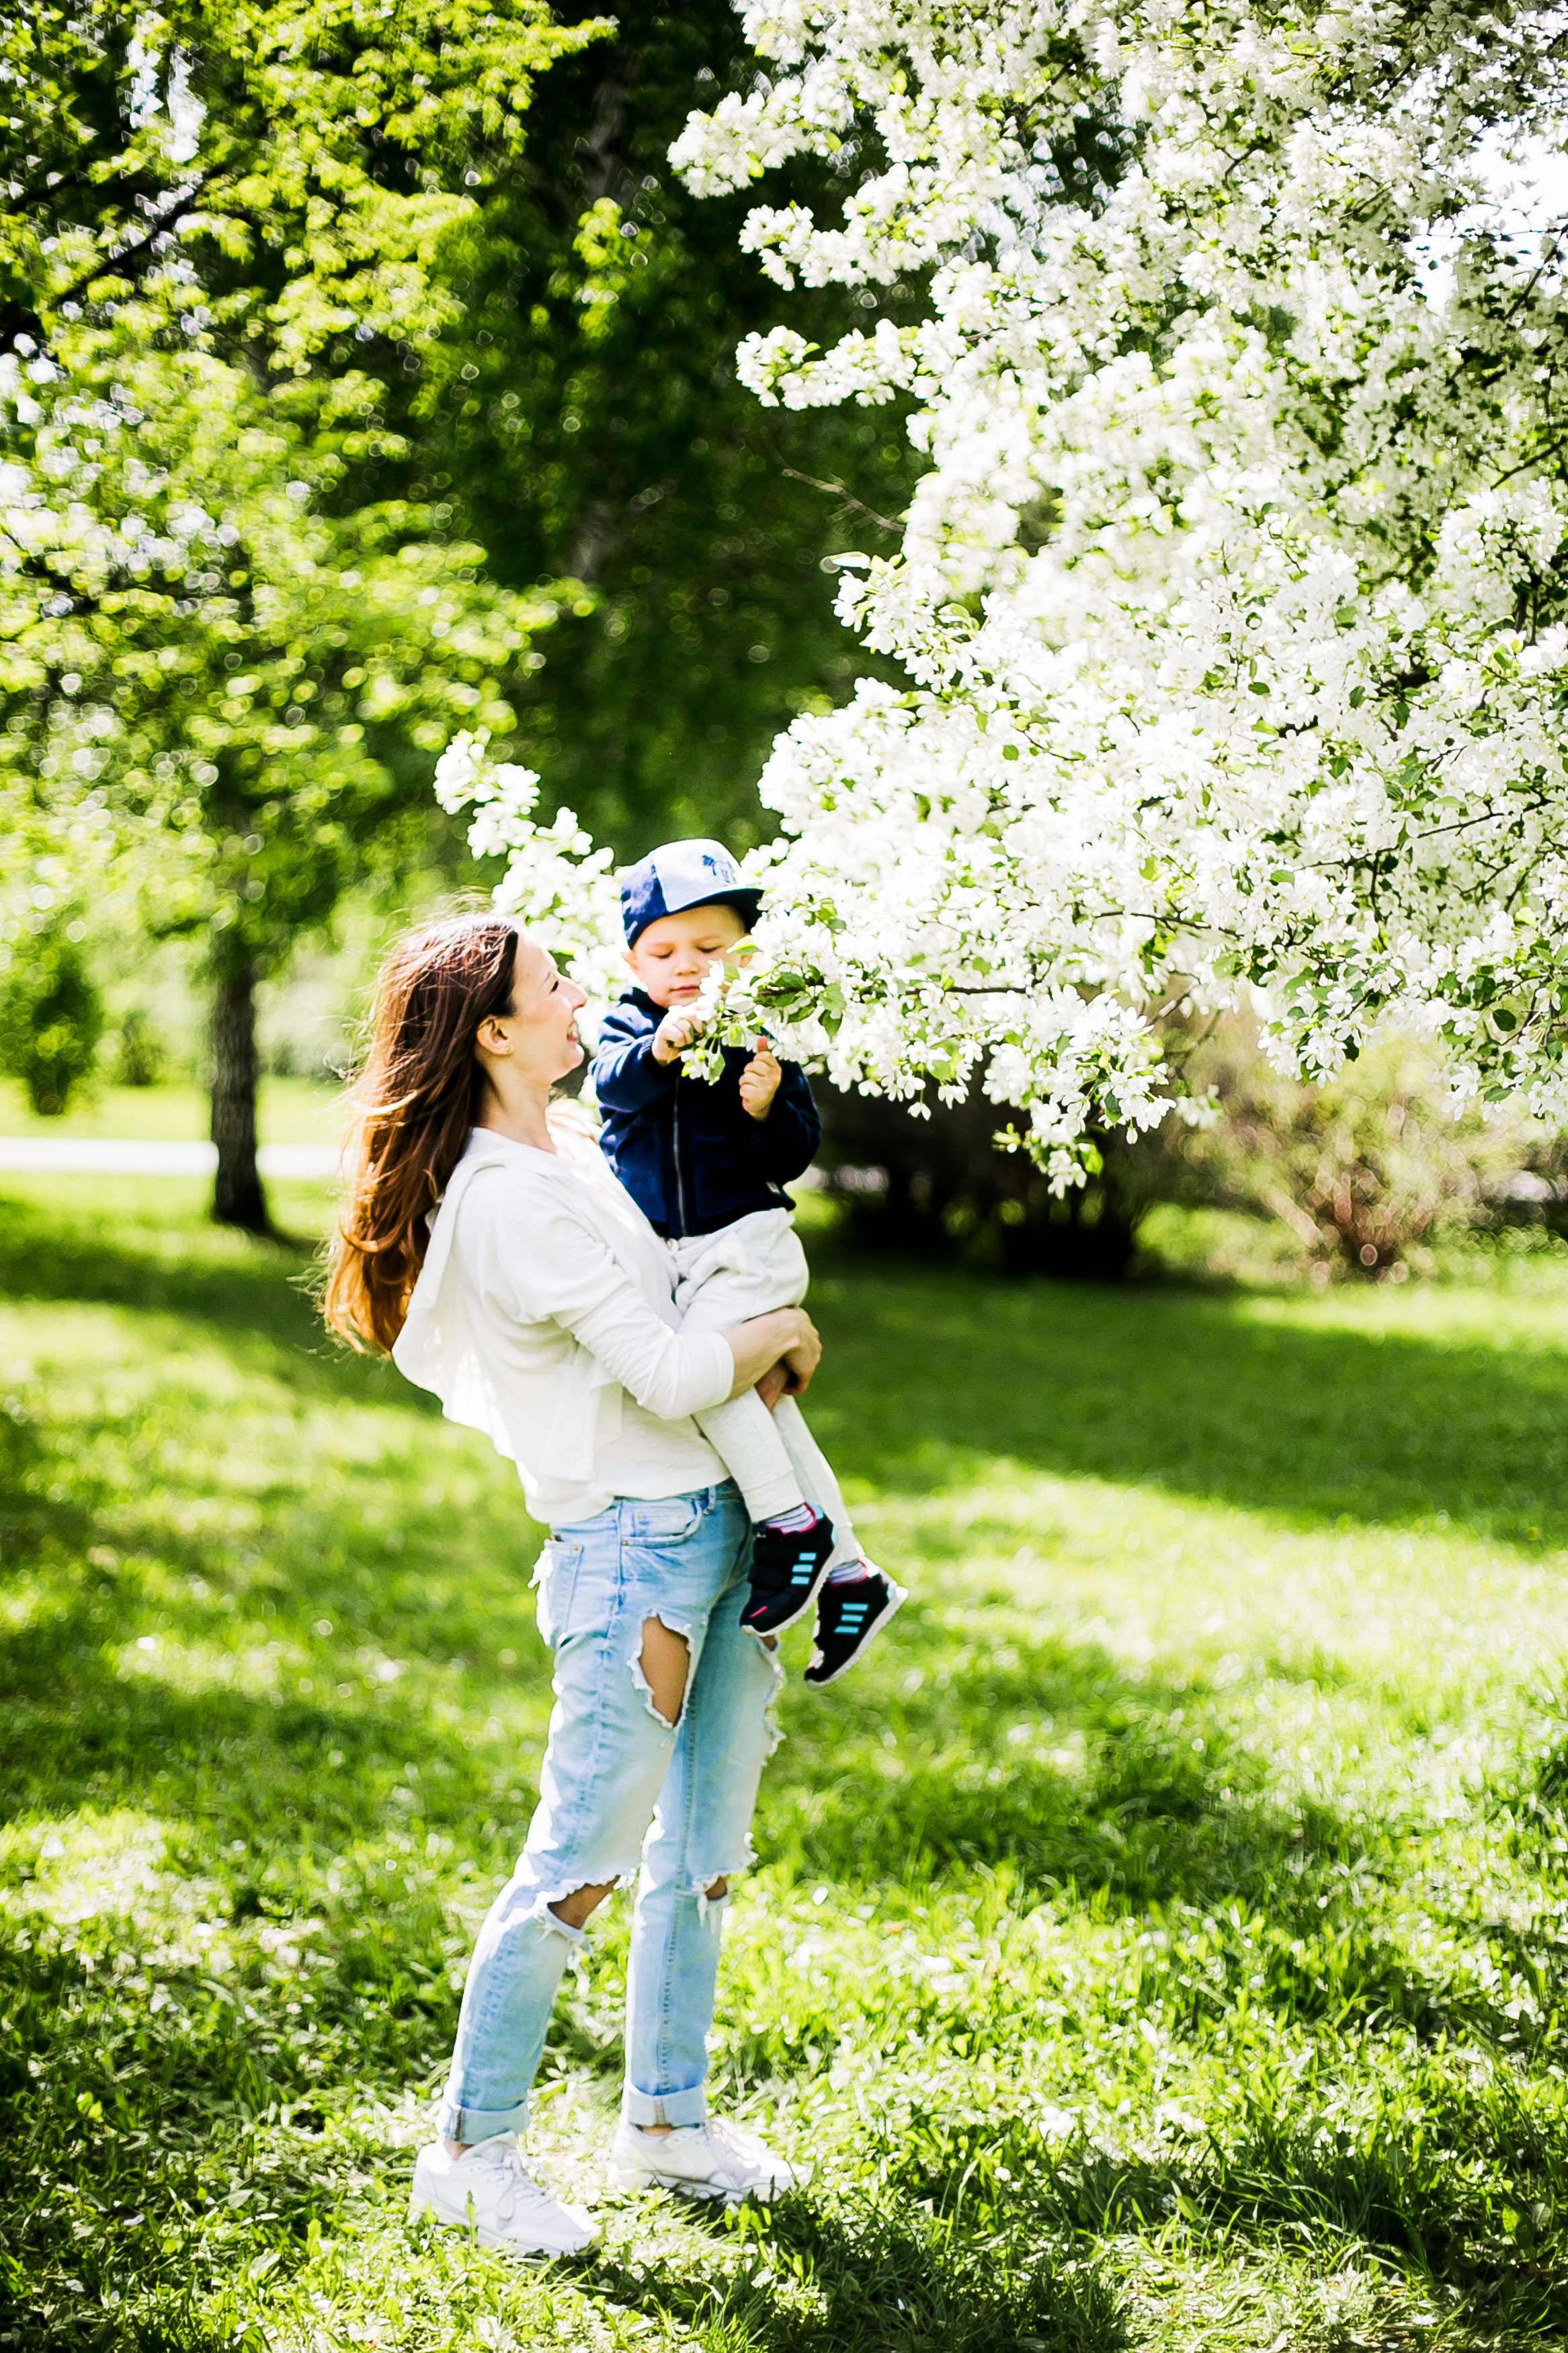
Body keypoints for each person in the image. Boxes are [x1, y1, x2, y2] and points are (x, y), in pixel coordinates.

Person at [324, 910, 822, 2258]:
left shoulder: (573, 1151)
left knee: (703, 1852)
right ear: (492, 1032)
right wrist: (777, 1328)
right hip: (633, 1555)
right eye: (552, 989)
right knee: (579, 1866)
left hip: (714, 1525)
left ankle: (663, 2121)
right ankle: (470, 2149)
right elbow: (668, 1372)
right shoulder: (505, 1200)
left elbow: (678, 1299)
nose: (577, 1000)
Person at [590, 838, 906, 1685]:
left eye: (709, 949)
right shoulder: (627, 1022)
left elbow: (795, 1150)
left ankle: (787, 1522)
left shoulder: (757, 1033)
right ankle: (851, 1574)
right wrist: (660, 1047)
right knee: (758, 1409)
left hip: (744, 1241)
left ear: (745, 956)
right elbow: (613, 1088)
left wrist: (767, 1107)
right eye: (663, 952)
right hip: (671, 1255)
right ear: (632, 959)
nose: (686, 968)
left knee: (705, 1377)